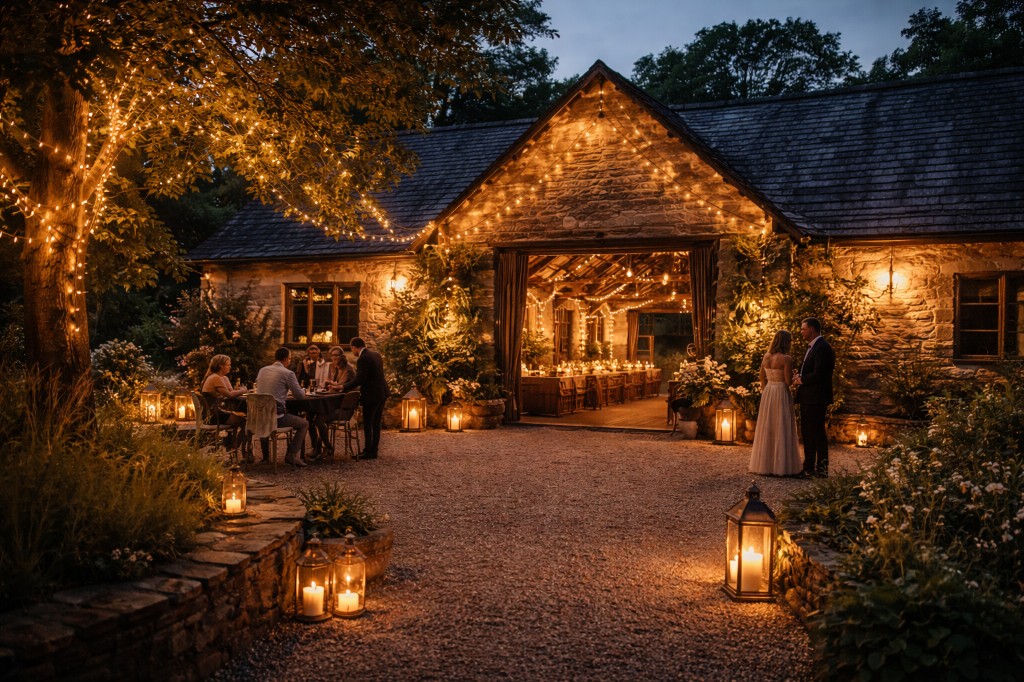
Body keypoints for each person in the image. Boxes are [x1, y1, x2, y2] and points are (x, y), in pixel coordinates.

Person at [748, 331, 802, 476]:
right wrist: (796, 378)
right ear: (786, 342)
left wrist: (766, 388)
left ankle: (764, 464)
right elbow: (788, 381)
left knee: (768, 425)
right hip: (780, 392)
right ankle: (780, 465)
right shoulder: (786, 359)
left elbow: (761, 376)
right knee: (781, 425)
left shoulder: (766, 356)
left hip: (768, 392)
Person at [792, 317, 836, 478]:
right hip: (809, 397)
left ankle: (820, 468)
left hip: (816, 398)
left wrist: (801, 380)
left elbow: (820, 374)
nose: (801, 332)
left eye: (803, 329)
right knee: (809, 432)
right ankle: (809, 466)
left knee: (816, 432)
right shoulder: (813, 347)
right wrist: (800, 376)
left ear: (811, 329)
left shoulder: (822, 347)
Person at [255, 347, 310, 467]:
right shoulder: (288, 373)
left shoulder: (262, 370)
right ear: (285, 359)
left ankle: (265, 457)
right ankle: (292, 455)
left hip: (259, 416)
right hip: (277, 418)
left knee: (266, 415)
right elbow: (300, 396)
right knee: (304, 424)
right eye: (289, 359)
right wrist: (304, 390)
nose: (289, 362)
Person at [343, 337, 389, 460]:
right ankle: (374, 450)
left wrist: (343, 387)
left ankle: (368, 451)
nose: (352, 352)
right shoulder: (376, 355)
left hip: (372, 394)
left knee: (368, 423)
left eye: (351, 349)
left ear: (355, 347)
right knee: (376, 422)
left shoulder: (363, 358)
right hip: (382, 392)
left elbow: (360, 380)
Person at [200, 354, 248, 456]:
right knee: (246, 421)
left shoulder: (219, 377)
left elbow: (230, 391)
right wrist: (243, 390)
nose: (230, 367)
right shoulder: (215, 378)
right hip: (213, 416)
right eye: (228, 365)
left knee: (242, 418)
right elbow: (230, 395)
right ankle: (234, 447)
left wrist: (226, 380)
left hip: (213, 413)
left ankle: (231, 445)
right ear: (221, 366)